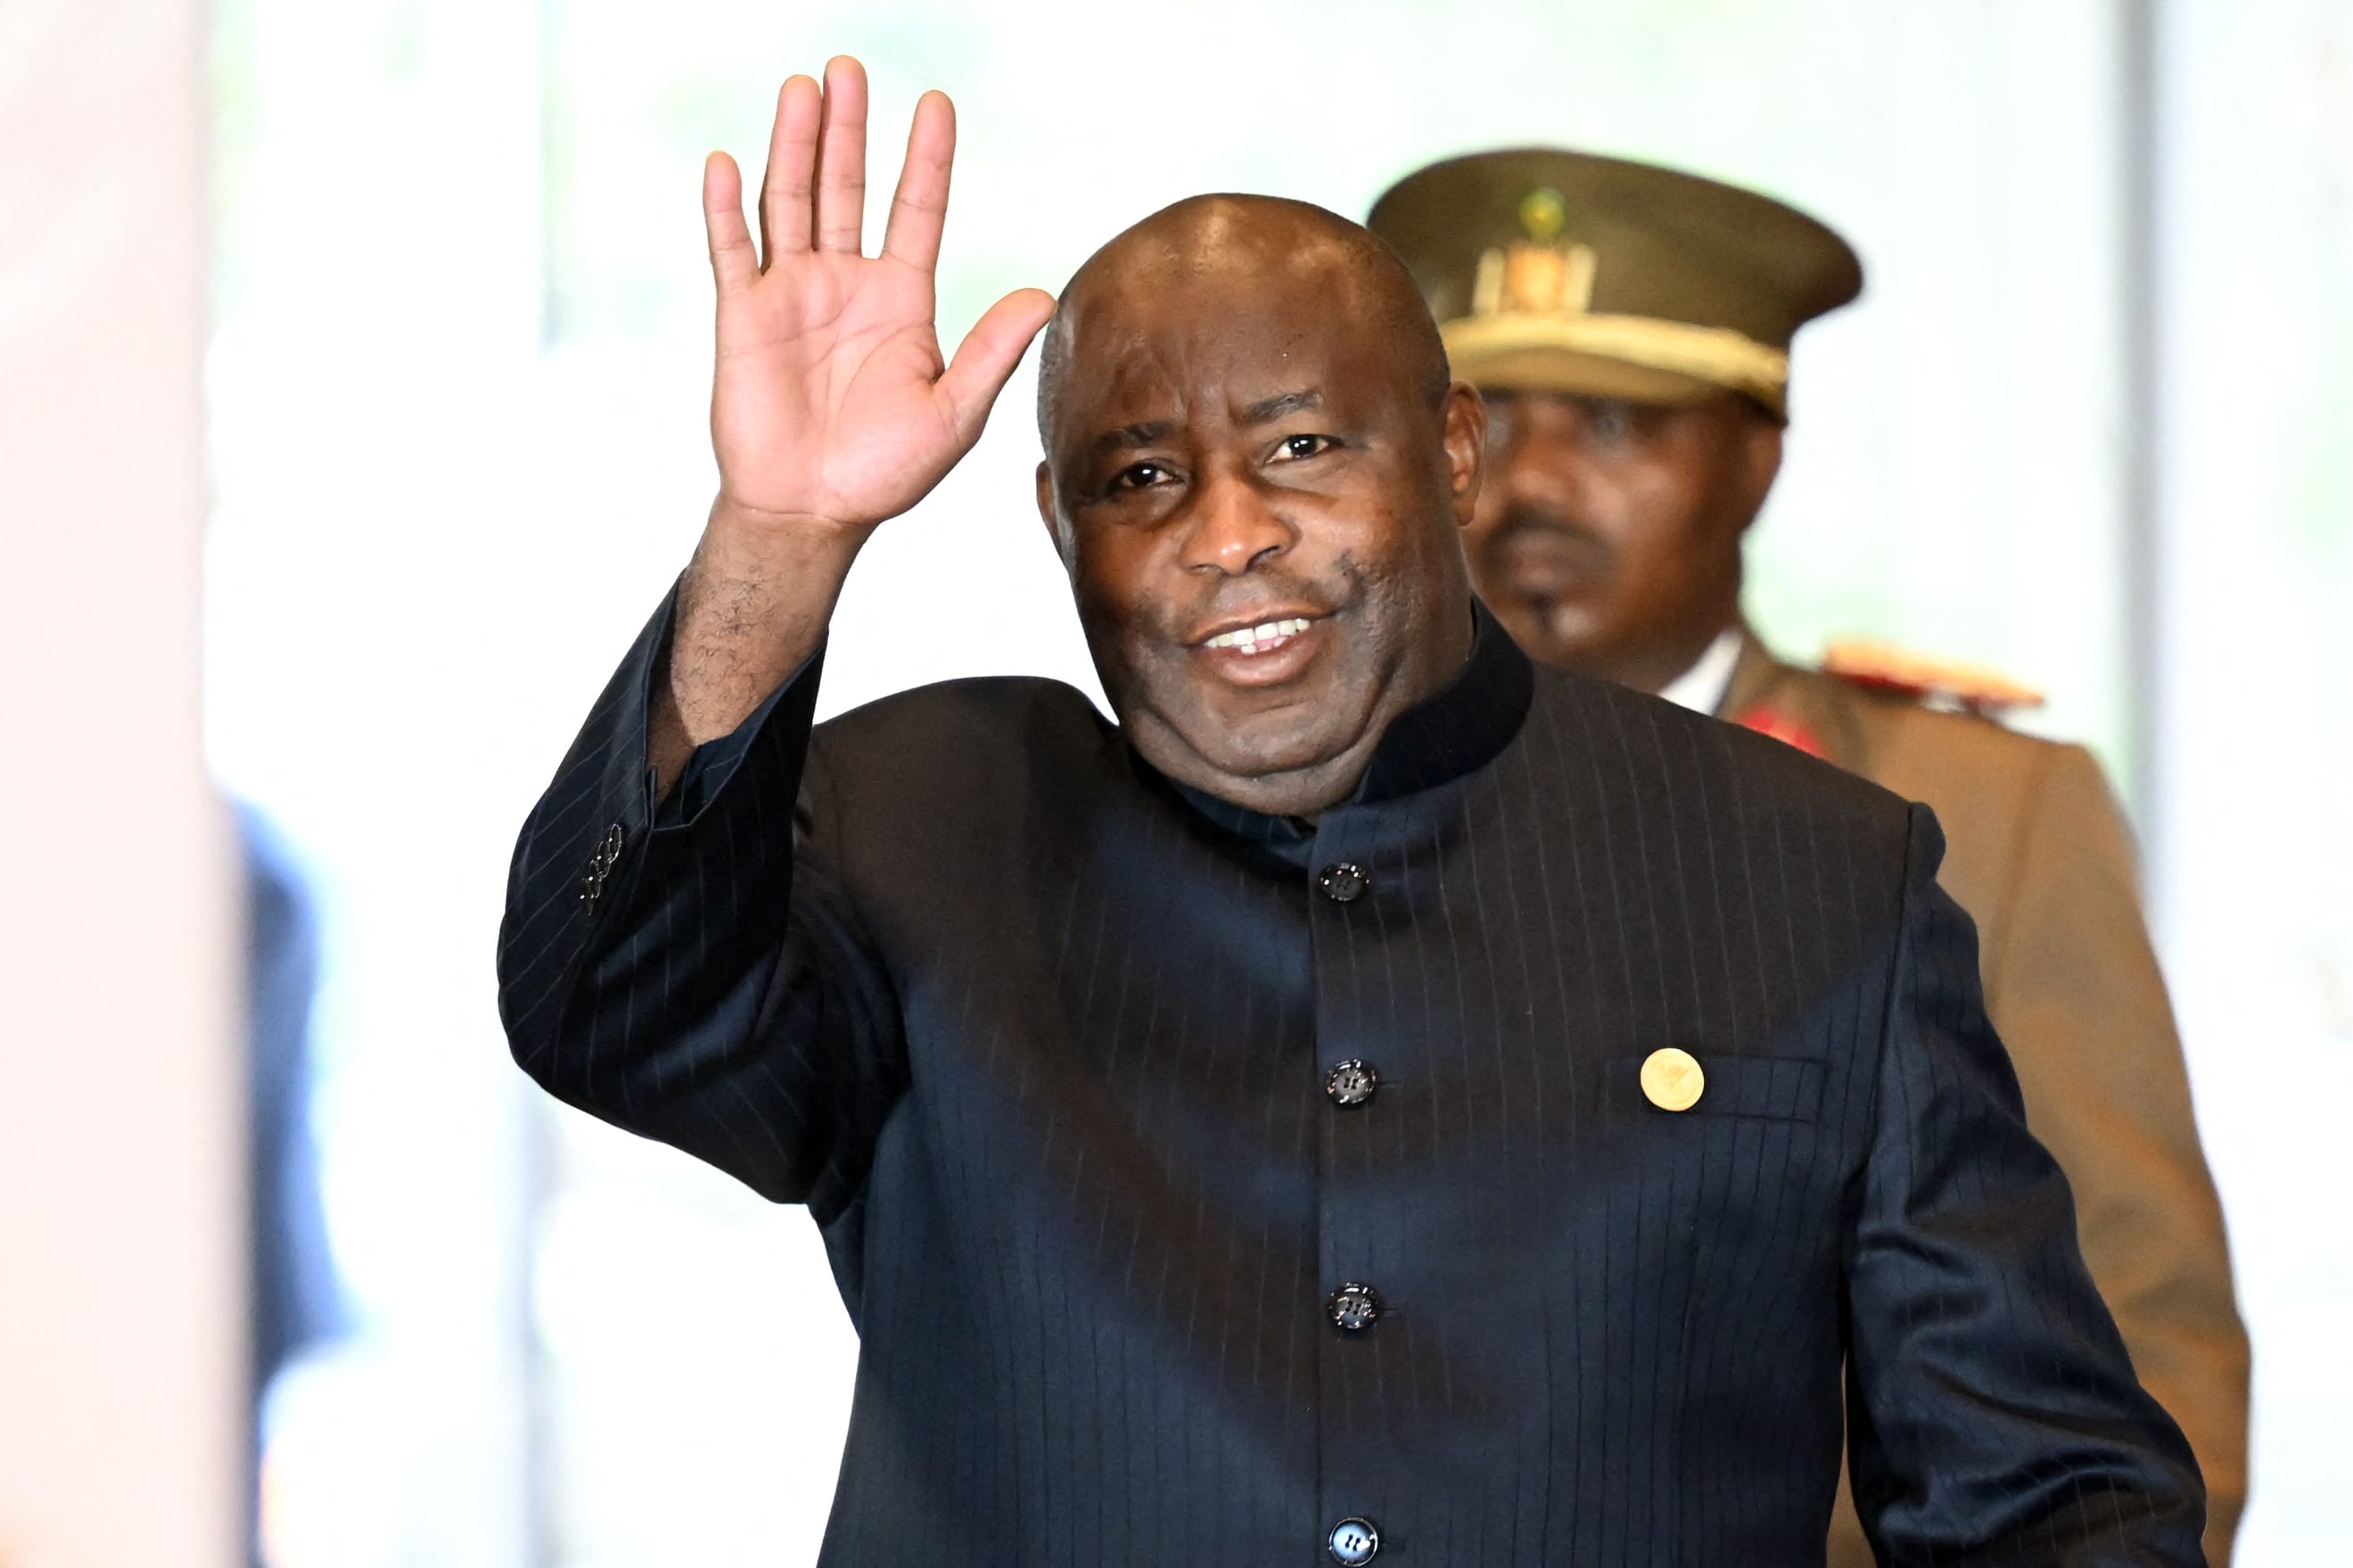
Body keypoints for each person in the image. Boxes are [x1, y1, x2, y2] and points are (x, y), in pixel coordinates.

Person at [498, 60, 2205, 1565]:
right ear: (1056, 522)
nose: (1228, 530)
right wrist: (781, 535)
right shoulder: (926, 821)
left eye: (1304, 447)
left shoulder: (1820, 870)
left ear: (1451, 454)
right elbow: (615, 1008)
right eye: (1142, 475)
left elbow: (2047, 1502)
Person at [1368, 148, 2248, 1566]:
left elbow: (2146, 1358)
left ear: (1757, 455)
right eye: (1480, 425)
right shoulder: (1316, 805)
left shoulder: (1978, 812)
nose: (1526, 486)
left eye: (1610, 422)